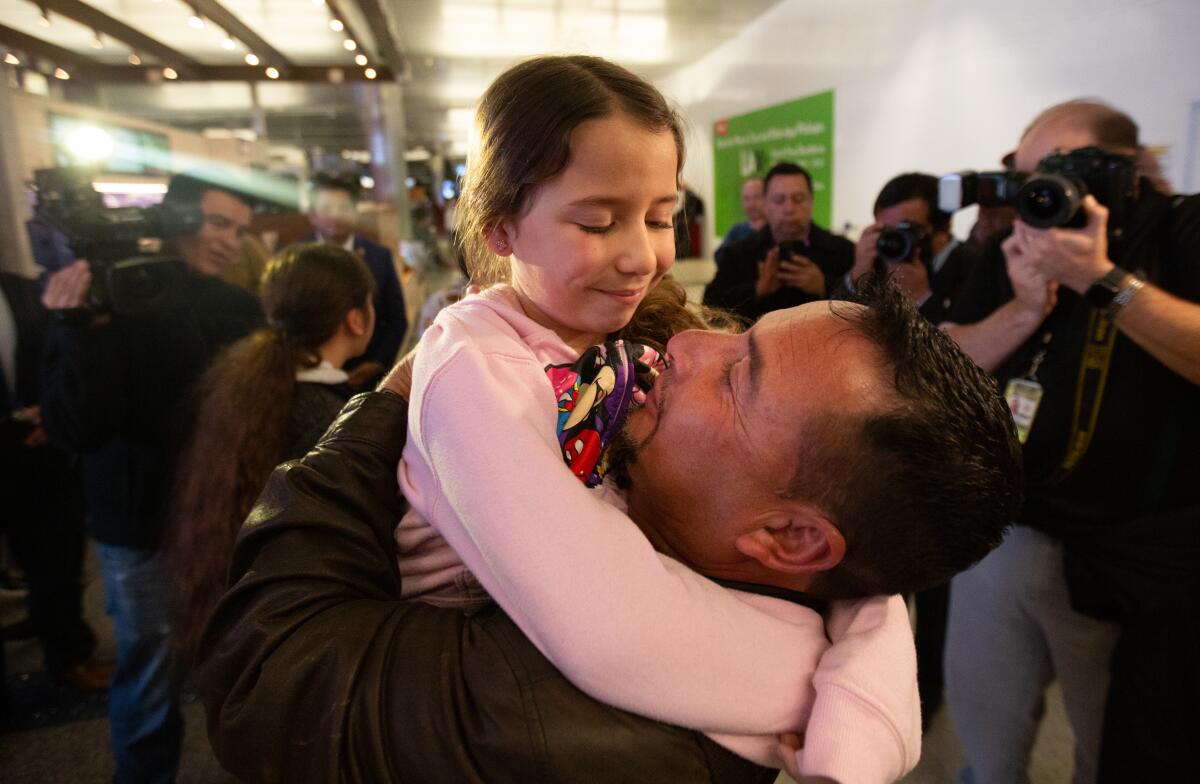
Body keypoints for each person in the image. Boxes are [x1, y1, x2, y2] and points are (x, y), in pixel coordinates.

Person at [391, 54, 1020, 779]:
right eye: (598, 221)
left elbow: (863, 586)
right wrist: (810, 689)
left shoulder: (618, 351)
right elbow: (613, 628)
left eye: (662, 218)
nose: (642, 258)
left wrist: (858, 734)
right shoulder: (470, 365)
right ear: (499, 228)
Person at [197, 276, 1021, 781]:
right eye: (738, 337)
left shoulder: (576, 731)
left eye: (739, 377)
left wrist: (390, 406)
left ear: (789, 540)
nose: (691, 343)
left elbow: (260, 681)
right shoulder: (811, 589)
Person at [940, 99, 1200, 783]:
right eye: (1026, 176)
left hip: (1128, 556)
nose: (1039, 194)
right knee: (987, 730)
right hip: (1008, 530)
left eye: (1056, 174)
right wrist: (1024, 308)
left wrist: (1102, 280)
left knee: (1113, 747)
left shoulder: (1179, 230)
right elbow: (944, 360)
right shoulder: (1017, 243)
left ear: (1123, 173)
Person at [39, 171, 263, 783]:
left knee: (239, 665)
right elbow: (75, 427)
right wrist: (74, 329)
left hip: (221, 516)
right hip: (136, 523)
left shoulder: (238, 306)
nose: (229, 240)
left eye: (240, 230)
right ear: (179, 218)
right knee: (149, 675)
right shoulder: (109, 302)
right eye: (218, 223)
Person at [168, 243, 374, 663]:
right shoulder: (328, 416)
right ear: (355, 319)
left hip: (232, 609)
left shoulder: (247, 380)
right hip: (294, 629)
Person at [1, 270, 105, 693]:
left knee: (56, 564)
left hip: (38, 454)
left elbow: (54, 355)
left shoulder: (20, 288)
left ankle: (69, 657)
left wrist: (50, 409)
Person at [704, 162, 853, 321]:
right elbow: (710, 308)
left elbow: (864, 310)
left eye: (798, 198)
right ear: (766, 205)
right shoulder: (738, 254)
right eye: (779, 200)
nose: (789, 208)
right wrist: (757, 289)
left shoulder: (843, 251)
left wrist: (824, 285)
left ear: (811, 202)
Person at [307, 172, 407, 389]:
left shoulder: (379, 256)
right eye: (326, 209)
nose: (335, 216)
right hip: (311, 377)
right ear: (313, 215)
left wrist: (378, 363)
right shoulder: (297, 259)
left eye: (343, 208)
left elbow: (397, 318)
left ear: (355, 213)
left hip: (368, 378)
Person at [849, 172, 982, 324]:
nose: (895, 240)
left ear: (943, 228)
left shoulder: (974, 266)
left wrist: (921, 298)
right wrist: (857, 277)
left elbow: (965, 341)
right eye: (886, 231)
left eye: (906, 229)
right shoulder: (878, 260)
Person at [716, 177, 766, 254]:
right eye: (746, 199)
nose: (751, 204)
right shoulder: (737, 231)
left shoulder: (777, 232)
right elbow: (720, 256)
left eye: (756, 197)